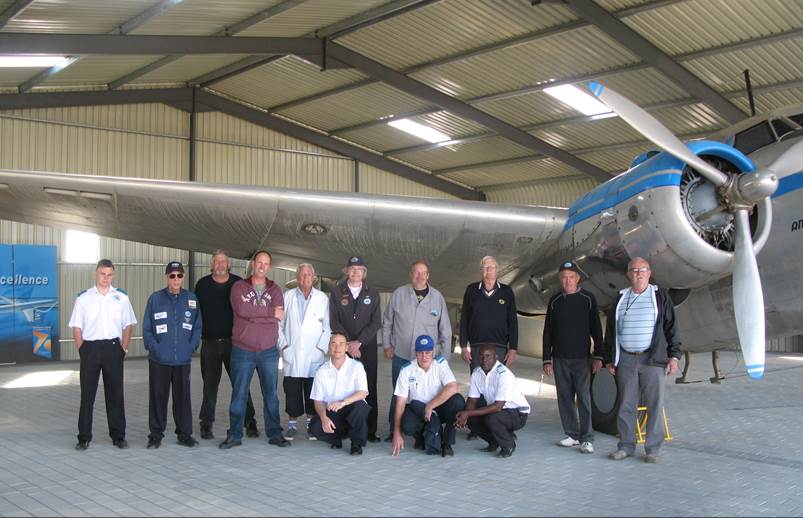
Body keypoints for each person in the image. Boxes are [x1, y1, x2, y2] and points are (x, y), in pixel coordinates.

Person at [602, 257, 681, 464]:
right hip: (626, 359)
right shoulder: (620, 298)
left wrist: (674, 356)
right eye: (634, 270)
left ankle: (652, 449)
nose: (638, 273)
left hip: (652, 359)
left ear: (649, 273)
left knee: (655, 403)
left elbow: (671, 327)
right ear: (628, 274)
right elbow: (610, 331)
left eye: (642, 270)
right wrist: (610, 358)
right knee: (626, 404)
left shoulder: (659, 296)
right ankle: (626, 446)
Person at [219, 250, 288, 449]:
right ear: (253, 264)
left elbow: (279, 315)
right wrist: (268, 312)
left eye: (266, 263)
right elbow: (242, 310)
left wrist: (260, 314)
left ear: (269, 267)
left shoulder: (275, 290)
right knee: (239, 394)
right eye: (259, 262)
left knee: (271, 395)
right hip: (243, 351)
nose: (262, 266)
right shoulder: (238, 287)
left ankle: (275, 433)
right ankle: (234, 435)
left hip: (268, 351)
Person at [69, 259, 137, 451]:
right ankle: (84, 437)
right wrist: (82, 349)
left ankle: (118, 436)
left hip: (113, 348)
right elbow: (76, 326)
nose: (106, 278)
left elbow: (128, 324)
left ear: (113, 275)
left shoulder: (121, 297)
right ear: (95, 274)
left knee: (115, 394)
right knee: (87, 395)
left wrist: (123, 348)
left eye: (109, 274)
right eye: (102, 274)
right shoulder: (84, 298)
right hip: (90, 348)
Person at [382, 260, 452, 440]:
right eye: (416, 273)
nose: (420, 276)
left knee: (428, 393)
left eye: (424, 273)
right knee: (399, 395)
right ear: (410, 274)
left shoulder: (437, 298)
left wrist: (443, 359)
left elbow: (445, 330)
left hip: (428, 359)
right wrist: (387, 345)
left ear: (428, 275)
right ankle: (394, 429)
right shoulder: (399, 294)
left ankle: (426, 426)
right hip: (402, 355)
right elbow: (387, 321)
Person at [195, 250, 259, 440]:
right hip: (209, 344)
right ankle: (206, 424)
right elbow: (195, 312)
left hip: (235, 344)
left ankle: (250, 421)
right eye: (217, 262)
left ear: (228, 264)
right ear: (211, 265)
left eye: (224, 262)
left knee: (241, 384)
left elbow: (249, 312)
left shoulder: (238, 284)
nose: (221, 265)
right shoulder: (202, 285)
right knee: (209, 386)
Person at [542, 261, 604, 454]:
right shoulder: (554, 301)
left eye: (571, 277)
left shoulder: (588, 299)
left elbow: (596, 329)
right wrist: (546, 359)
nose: (567, 281)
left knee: (584, 398)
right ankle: (572, 434)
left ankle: (587, 438)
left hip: (582, 359)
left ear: (578, 278)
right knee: (564, 398)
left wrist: (598, 356)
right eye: (563, 277)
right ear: (560, 280)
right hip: (560, 358)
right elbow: (548, 332)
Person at [142, 261, 202, 449]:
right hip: (159, 359)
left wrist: (190, 347)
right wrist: (155, 348)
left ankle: (184, 434)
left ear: (183, 277)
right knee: (158, 397)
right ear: (167, 277)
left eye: (179, 275)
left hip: (182, 359)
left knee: (182, 399)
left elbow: (197, 327)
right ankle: (155, 435)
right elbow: (147, 328)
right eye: (172, 275)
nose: (176, 279)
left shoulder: (191, 299)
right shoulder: (155, 299)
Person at [329, 256, 382, 443]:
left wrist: (358, 342)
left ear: (364, 272)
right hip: (344, 349)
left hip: (366, 348)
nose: (356, 272)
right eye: (352, 268)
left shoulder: (373, 293)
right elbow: (334, 321)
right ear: (346, 271)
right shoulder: (336, 292)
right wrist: (348, 344)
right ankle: (344, 428)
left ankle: (370, 430)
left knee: (369, 387)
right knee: (344, 386)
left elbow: (376, 322)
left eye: (360, 269)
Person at [278, 263, 330, 440]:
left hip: (313, 353)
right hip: (292, 352)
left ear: (313, 277)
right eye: (301, 275)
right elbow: (279, 324)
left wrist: (321, 348)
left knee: (312, 390)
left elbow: (327, 327)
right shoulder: (287, 297)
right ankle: (292, 425)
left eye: (308, 275)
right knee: (291, 390)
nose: (305, 278)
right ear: (297, 277)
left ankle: (311, 424)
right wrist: (283, 344)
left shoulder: (322, 298)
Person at [390, 335, 464, 457]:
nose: (424, 356)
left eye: (428, 352)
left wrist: (431, 406)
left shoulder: (440, 363)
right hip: (419, 409)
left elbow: (453, 387)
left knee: (458, 401)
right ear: (416, 353)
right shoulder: (406, 370)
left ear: (433, 352)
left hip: (439, 407)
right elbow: (400, 402)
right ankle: (421, 437)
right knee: (407, 425)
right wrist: (396, 433)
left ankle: (447, 443)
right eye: (420, 353)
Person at [456, 344, 530, 458]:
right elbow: (472, 401)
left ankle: (508, 445)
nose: (484, 360)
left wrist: (468, 413)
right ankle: (494, 441)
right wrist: (465, 417)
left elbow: (498, 406)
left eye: (488, 356)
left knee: (492, 418)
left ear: (496, 357)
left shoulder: (503, 374)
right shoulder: (477, 373)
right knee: (471, 418)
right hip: (500, 411)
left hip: (518, 413)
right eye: (481, 356)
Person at [308, 332, 370, 455]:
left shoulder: (356, 367)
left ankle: (356, 443)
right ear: (329, 347)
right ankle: (336, 439)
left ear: (347, 347)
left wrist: (343, 402)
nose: (337, 348)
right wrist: (324, 418)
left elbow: (363, 393)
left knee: (360, 406)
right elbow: (318, 401)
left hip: (351, 409)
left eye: (341, 344)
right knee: (314, 426)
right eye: (334, 344)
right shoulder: (321, 371)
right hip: (334, 412)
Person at [459, 255, 518, 373]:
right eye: (485, 267)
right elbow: (464, 319)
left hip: (499, 348)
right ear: (481, 270)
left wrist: (513, 348)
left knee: (497, 383)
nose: (489, 269)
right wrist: (463, 346)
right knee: (478, 383)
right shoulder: (471, 290)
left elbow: (513, 322)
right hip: (477, 347)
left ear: (497, 269)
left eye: (492, 267)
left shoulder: (507, 292)